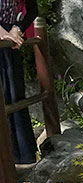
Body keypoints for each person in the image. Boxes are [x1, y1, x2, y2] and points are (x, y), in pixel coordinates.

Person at [0, 0, 38, 165]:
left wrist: (18, 28)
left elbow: (32, 9)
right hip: (3, 35)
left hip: (10, 39)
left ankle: (21, 154)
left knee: (14, 92)